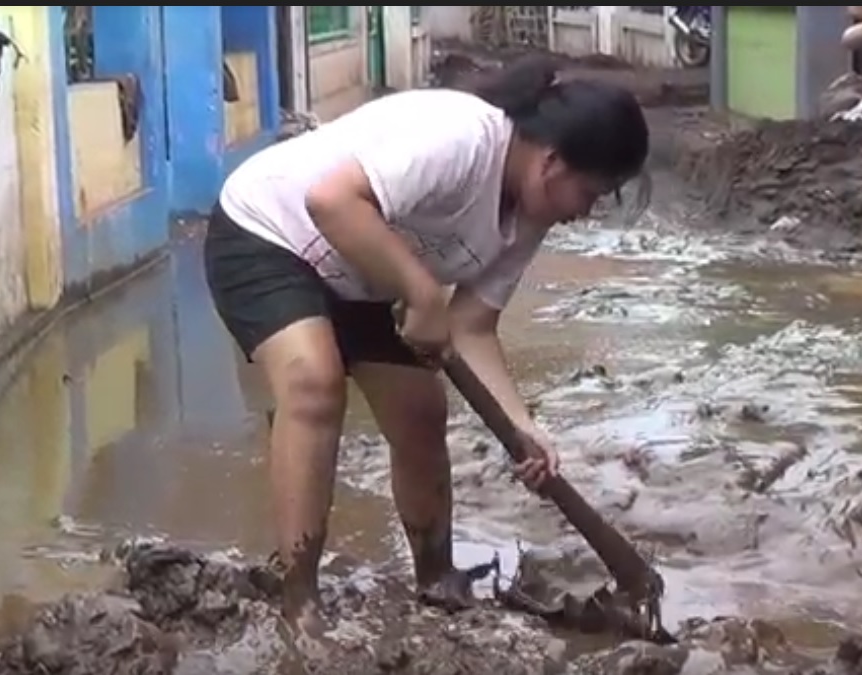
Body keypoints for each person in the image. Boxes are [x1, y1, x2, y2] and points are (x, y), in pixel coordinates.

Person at [203, 55, 650, 634]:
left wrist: (523, 426)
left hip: (366, 272)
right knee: (314, 385)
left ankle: (436, 576)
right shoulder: (461, 137)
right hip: (269, 235)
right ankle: (300, 597)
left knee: (420, 410)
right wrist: (420, 292)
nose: (585, 212)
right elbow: (331, 202)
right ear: (552, 162)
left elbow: (471, 326)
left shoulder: (528, 218)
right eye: (590, 194)